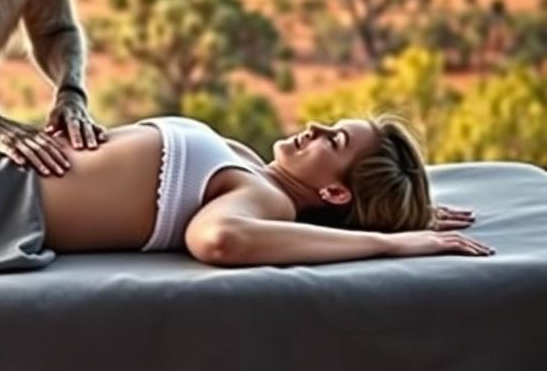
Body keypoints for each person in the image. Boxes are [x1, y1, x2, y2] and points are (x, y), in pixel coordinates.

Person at [31, 113, 492, 265]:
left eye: (334, 140)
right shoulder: (253, 168)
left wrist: (388, 242)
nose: (314, 126)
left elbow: (219, 239)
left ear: (334, 194)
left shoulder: (268, 200)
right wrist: (408, 214)